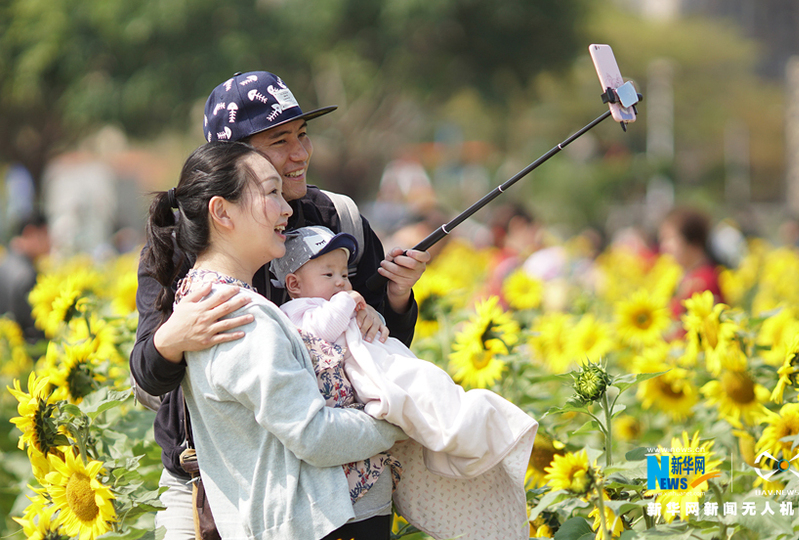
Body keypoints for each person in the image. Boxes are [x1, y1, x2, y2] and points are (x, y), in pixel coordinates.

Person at [129, 72, 430, 539]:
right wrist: (174, 337)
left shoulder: (337, 217)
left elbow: (372, 353)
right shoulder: (181, 246)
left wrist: (394, 299)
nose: (300, 154)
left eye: (303, 135)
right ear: (231, 159)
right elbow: (148, 379)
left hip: (332, 487)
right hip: (211, 484)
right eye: (279, 140)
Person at [275, 225, 537, 540]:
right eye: (328, 276)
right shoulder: (295, 312)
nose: (341, 283)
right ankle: (474, 426)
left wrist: (371, 316)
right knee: (420, 392)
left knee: (430, 383)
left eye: (345, 275)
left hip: (383, 364)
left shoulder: (332, 301)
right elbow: (321, 332)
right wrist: (348, 302)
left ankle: (477, 425)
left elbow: (375, 329)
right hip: (371, 380)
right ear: (294, 284)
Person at [659, 206, 723, 319]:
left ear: (693, 242)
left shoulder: (703, 281)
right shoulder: (688, 276)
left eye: (670, 238)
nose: (664, 246)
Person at [0, 212, 50, 342]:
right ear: (30, 232)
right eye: (46, 234)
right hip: (24, 354)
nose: (51, 242)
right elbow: (34, 331)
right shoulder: (27, 275)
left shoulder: (4, 264)